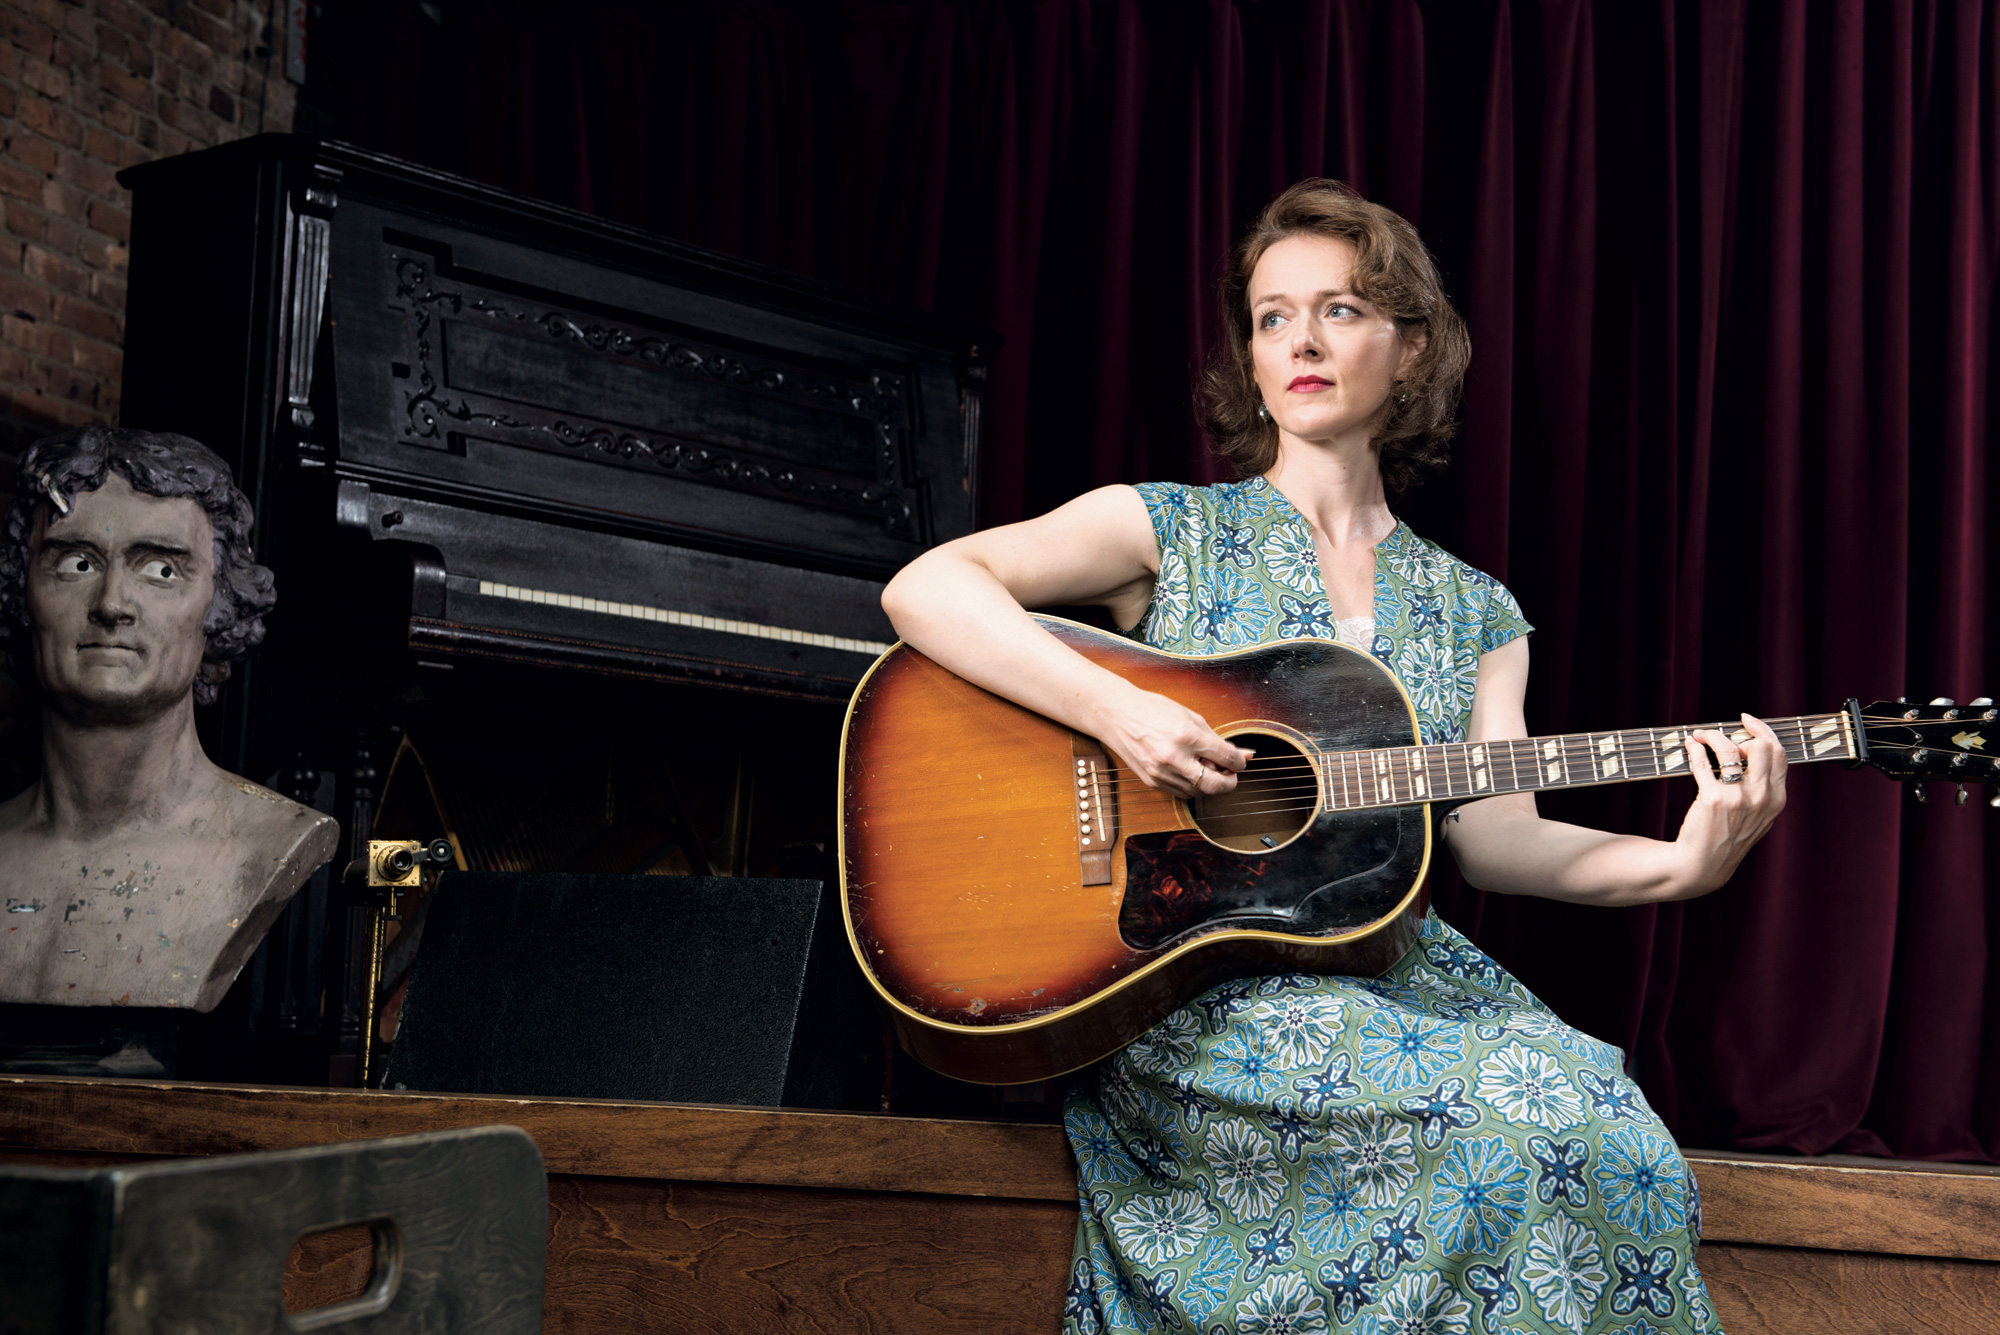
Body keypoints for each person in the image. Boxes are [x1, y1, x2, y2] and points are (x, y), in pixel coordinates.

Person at [882, 180, 1785, 1334]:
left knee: (1616, 1144)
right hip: (1195, 986)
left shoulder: (1474, 609)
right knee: (1523, 1135)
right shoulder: (1166, 526)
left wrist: (1680, 866)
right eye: (1270, 317)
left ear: (1411, 350)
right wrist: (1119, 712)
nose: (1299, 341)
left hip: (1393, 982)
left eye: (1341, 311)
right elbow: (924, 587)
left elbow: (1493, 838)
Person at [0, 427, 337, 1025]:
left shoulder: (267, 850)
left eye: (159, 570)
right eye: (77, 563)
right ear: (21, 593)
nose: (111, 604)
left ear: (220, 605)